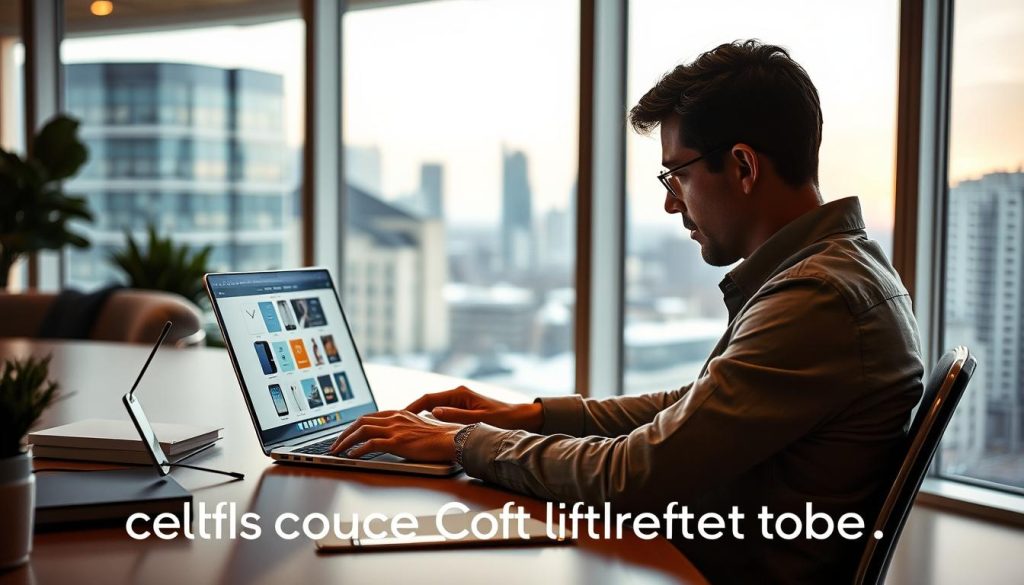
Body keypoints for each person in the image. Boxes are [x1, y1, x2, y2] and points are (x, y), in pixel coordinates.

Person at [330, 40, 924, 582]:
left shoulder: (818, 299)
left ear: (743, 167)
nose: (671, 204)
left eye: (677, 175)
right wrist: (529, 415)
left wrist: (465, 442)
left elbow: (635, 474)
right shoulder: (841, 269)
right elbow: (694, 407)